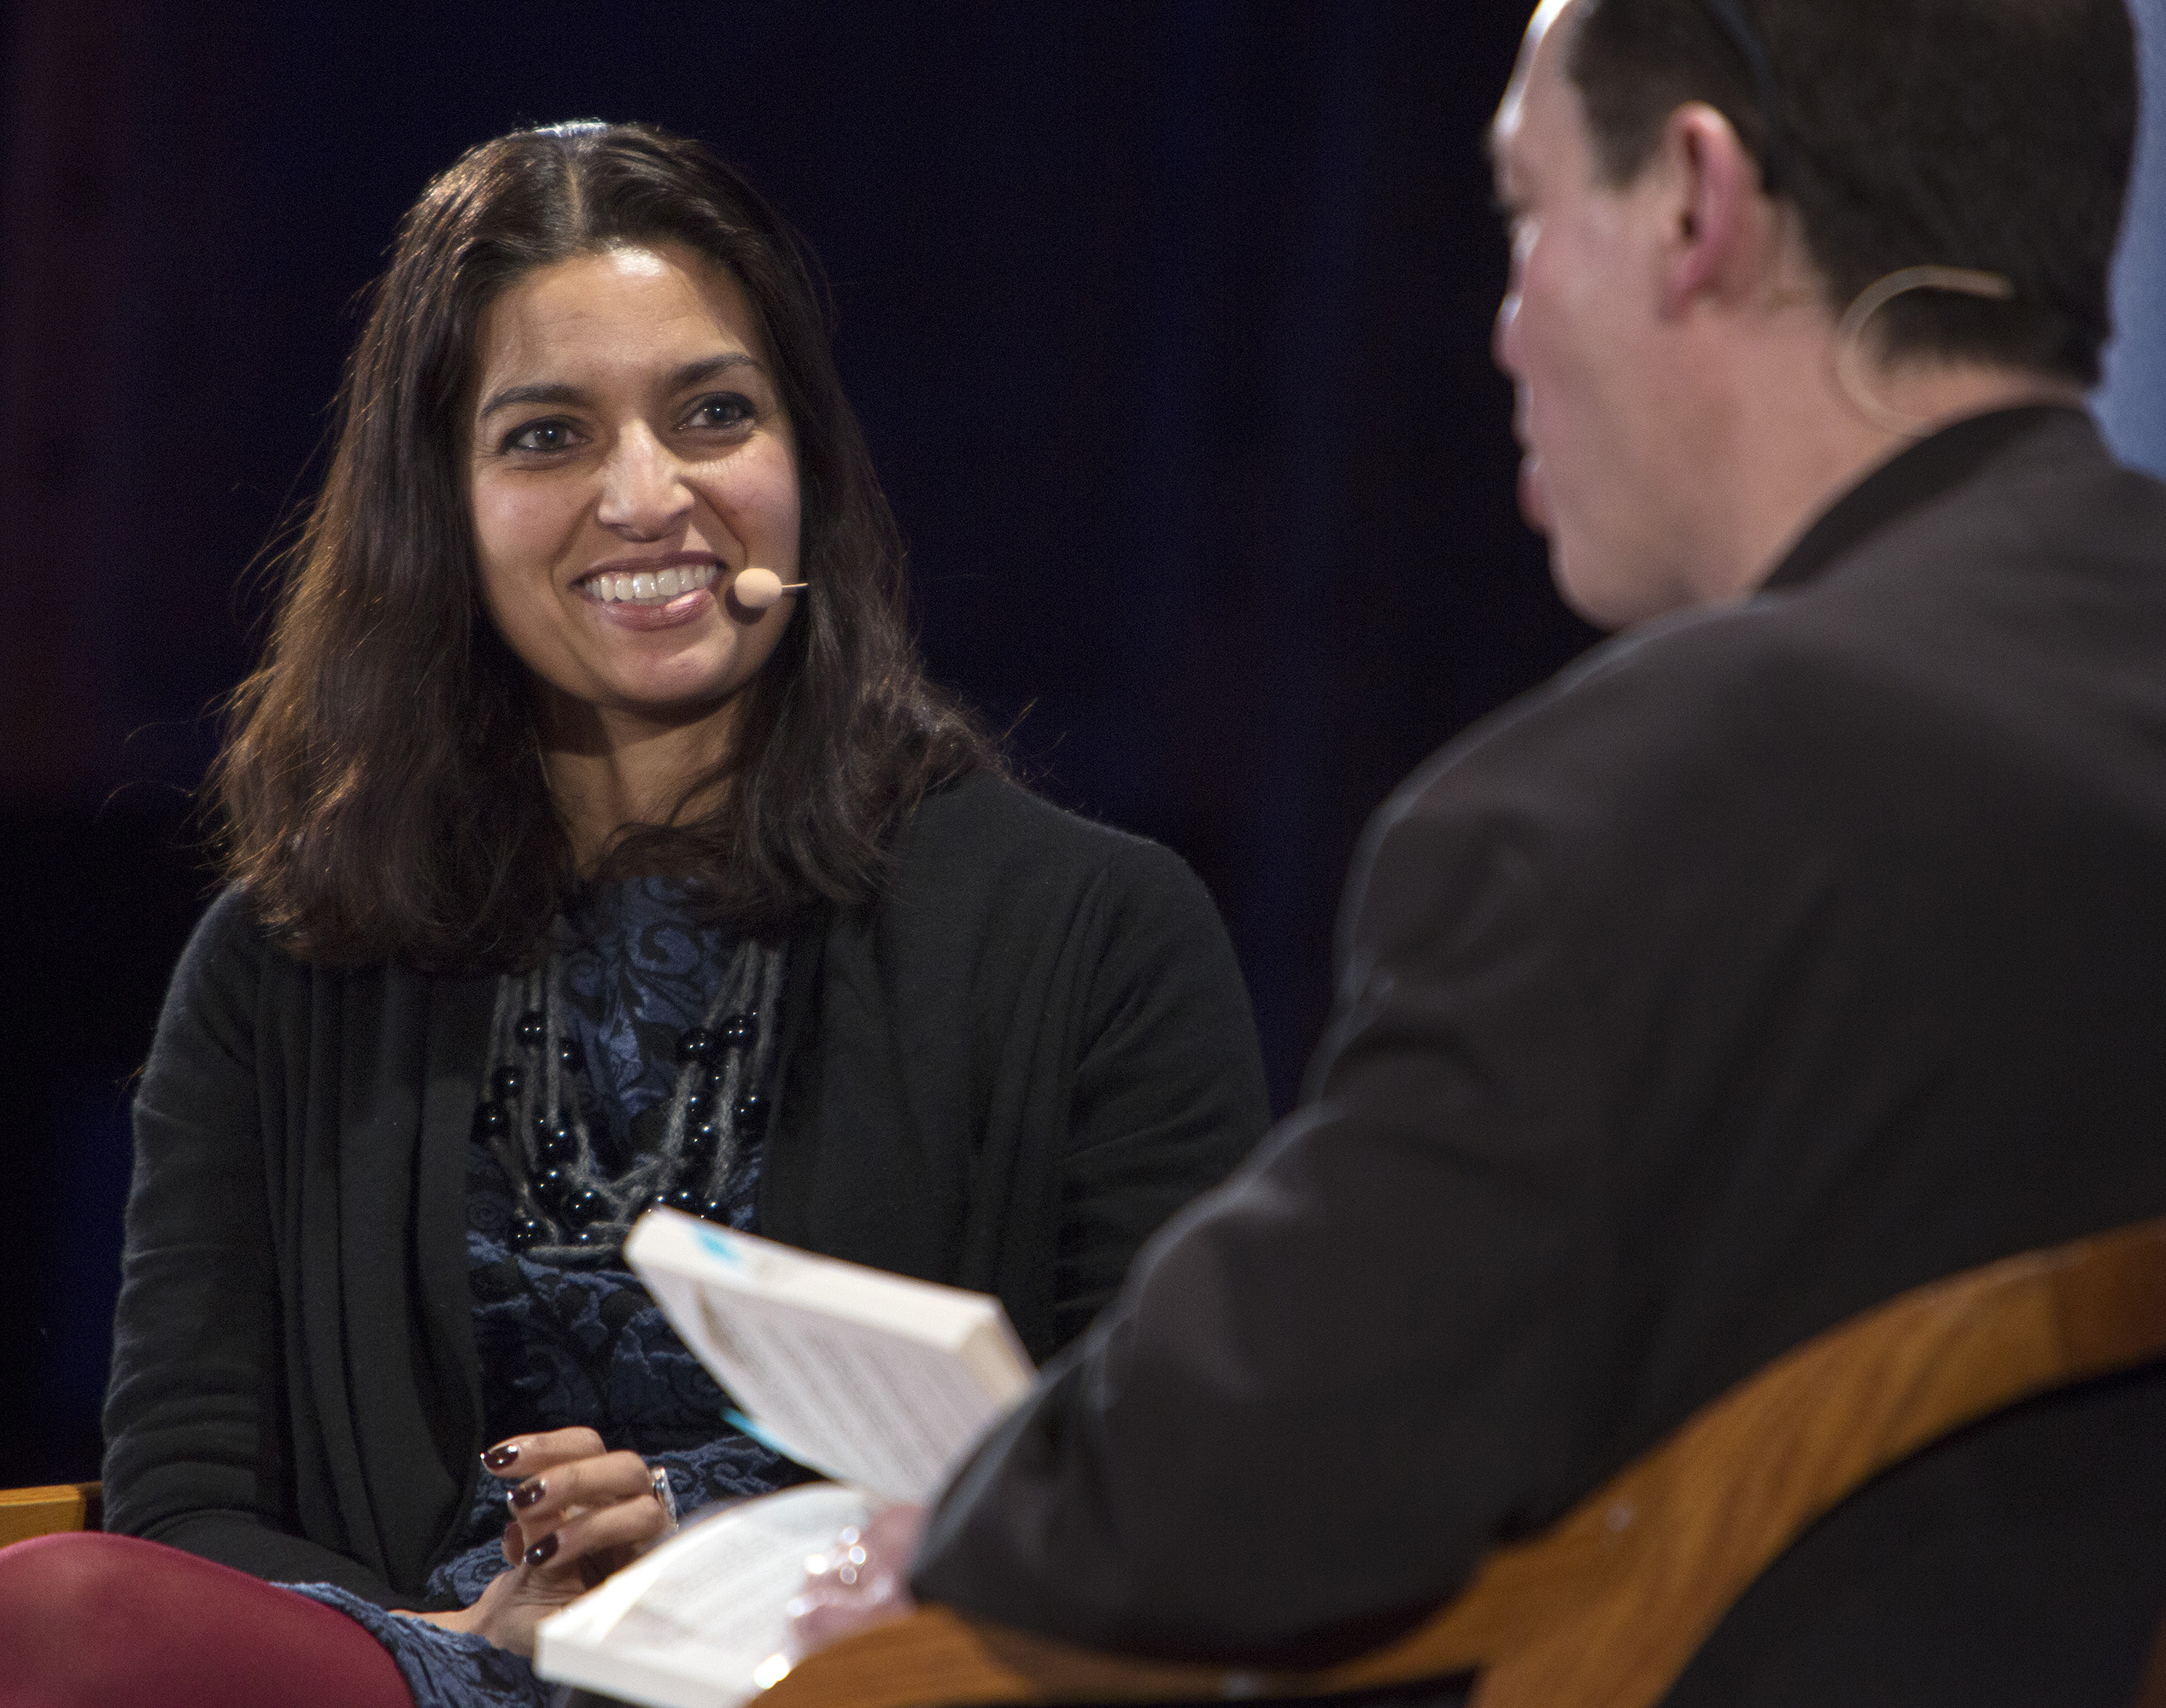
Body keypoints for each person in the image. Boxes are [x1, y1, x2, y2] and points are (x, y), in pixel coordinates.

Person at [828, 1, 2166, 1702]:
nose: (1504, 327)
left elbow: (1199, 1499)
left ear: (1697, 203)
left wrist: (957, 1522)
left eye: (1527, 216)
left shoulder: (1624, 804)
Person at [0, 120, 1268, 1708]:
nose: (648, 495)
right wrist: (483, 1635)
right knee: (67, 1614)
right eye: (547, 438)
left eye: (714, 415)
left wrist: (681, 1551)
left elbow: (1174, 1485)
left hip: (850, 1671)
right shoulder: (283, 963)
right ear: (446, 507)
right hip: (430, 1664)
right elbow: (193, 1504)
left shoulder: (1096, 935)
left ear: (801, 460)